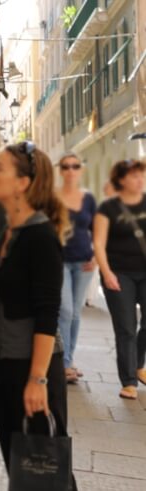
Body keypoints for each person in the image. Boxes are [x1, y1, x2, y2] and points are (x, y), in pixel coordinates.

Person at [0, 141, 82, 491]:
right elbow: (0, 307)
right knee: (20, 453)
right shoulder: (9, 234)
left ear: (22, 183)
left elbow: (46, 314)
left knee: (45, 451)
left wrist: (37, 379)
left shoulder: (39, 237)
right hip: (4, 362)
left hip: (31, 367)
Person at [93, 159, 146, 400]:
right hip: (119, 274)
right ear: (122, 179)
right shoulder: (108, 208)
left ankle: (138, 365)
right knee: (126, 327)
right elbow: (99, 244)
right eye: (134, 176)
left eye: (142, 175)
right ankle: (129, 381)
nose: (140, 179)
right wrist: (107, 273)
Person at [56, 153, 97, 383]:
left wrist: (98, 259)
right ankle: (62, 363)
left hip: (85, 262)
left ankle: (68, 360)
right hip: (59, 260)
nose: (71, 170)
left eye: (75, 166)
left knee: (75, 313)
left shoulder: (88, 199)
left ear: (80, 170)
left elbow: (98, 231)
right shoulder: (52, 197)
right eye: (66, 166)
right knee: (66, 310)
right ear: (61, 170)